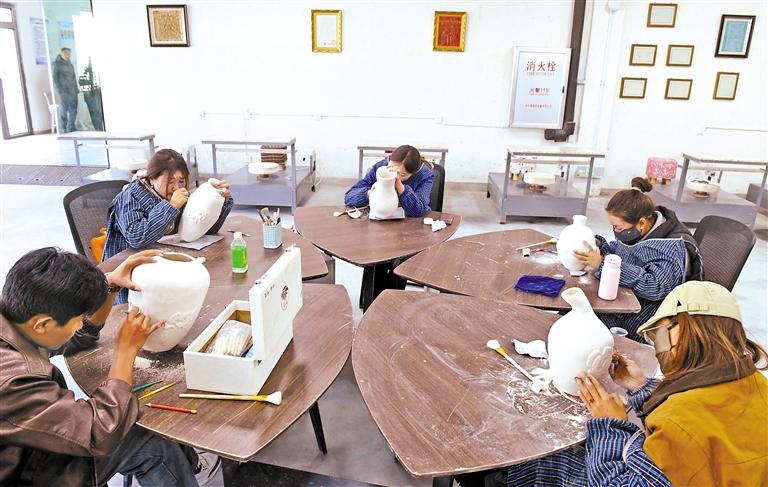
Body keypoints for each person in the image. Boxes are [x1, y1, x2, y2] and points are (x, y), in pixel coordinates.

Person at [504, 280, 767, 486]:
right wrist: (642, 388)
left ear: (682, 330)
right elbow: (704, 418)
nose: (657, 348)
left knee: (555, 460)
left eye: (657, 334)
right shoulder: (756, 384)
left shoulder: (681, 426)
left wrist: (610, 426)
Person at [0, 247, 221, 486]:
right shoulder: (12, 384)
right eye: (79, 320)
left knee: (136, 417)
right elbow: (102, 431)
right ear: (42, 324)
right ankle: (186, 469)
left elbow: (78, 338)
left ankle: (187, 465)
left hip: (27, 444)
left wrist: (110, 285)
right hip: (28, 473)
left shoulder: (18, 320)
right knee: (148, 441)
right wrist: (126, 351)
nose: (81, 325)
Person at [573, 177, 703, 341]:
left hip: (653, 314)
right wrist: (600, 247)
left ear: (641, 223)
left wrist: (602, 264)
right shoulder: (641, 229)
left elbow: (656, 287)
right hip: (630, 298)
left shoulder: (672, 248)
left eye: (618, 227)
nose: (615, 231)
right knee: (577, 314)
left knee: (592, 332)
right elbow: (622, 253)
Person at [103, 149, 233, 303]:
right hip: (126, 275)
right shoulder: (131, 197)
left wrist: (220, 201)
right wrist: (171, 207)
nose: (176, 187)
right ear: (152, 178)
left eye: (181, 181)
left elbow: (204, 229)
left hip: (162, 267)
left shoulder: (177, 195)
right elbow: (136, 237)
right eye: (170, 181)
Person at [345, 145, 434, 217]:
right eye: (391, 168)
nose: (395, 175)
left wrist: (401, 188)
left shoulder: (425, 176)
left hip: (409, 225)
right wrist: (369, 193)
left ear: (414, 172)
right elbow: (349, 197)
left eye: (402, 174)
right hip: (378, 220)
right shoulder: (381, 167)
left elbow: (419, 210)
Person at [52, 47, 78, 133]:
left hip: (72, 91)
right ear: (61, 54)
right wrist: (59, 91)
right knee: (64, 110)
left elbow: (74, 78)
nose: (68, 55)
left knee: (73, 110)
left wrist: (76, 89)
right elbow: (55, 79)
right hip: (63, 92)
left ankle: (71, 127)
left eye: (69, 54)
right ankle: (63, 128)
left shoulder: (71, 65)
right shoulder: (57, 65)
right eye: (66, 53)